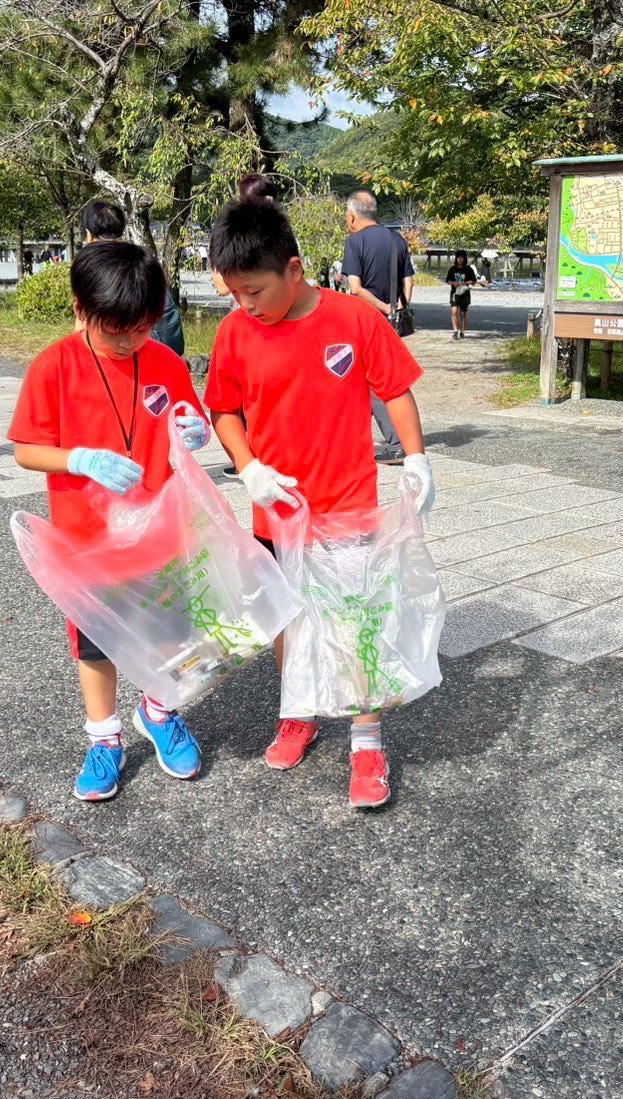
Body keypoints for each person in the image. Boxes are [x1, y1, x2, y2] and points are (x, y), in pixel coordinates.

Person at [204, 196, 435, 810]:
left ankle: (366, 741)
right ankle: (298, 709)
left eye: (253, 290)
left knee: (355, 622)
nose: (244, 304)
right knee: (288, 621)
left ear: (296, 269)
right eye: (235, 293)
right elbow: (223, 409)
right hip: (275, 511)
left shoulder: (354, 320)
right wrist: (248, 467)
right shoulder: (235, 333)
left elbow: (397, 390)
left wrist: (415, 458)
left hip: (345, 504)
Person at [8, 241, 212, 801]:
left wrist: (195, 433)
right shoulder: (55, 366)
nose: (128, 341)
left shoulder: (165, 361)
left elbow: (187, 420)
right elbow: (27, 449)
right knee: (95, 648)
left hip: (160, 535)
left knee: (168, 635)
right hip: (87, 544)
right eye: (114, 330)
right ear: (80, 310)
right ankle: (104, 739)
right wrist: (77, 458)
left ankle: (159, 710)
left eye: (142, 328)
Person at [340, 190, 414, 465]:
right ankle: (363, 439)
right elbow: (409, 281)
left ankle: (397, 443)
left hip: (364, 321)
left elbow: (355, 288)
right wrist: (397, 309)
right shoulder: (396, 239)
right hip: (391, 323)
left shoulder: (355, 242)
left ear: (352, 216)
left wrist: (383, 308)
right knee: (381, 378)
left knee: (370, 383)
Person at [80, 201, 185, 355]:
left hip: (136, 347)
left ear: (88, 233)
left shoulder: (93, 265)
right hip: (169, 341)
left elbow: (83, 324)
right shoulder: (139, 256)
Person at [445, 251, 481, 339]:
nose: (460, 259)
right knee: (453, 311)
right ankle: (455, 331)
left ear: (464, 258)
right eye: (458, 257)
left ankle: (462, 331)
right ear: (456, 258)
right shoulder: (452, 269)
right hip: (455, 293)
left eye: (462, 258)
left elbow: (474, 281)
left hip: (465, 293)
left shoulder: (468, 269)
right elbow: (447, 280)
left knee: (463, 313)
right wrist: (453, 283)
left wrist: (466, 283)